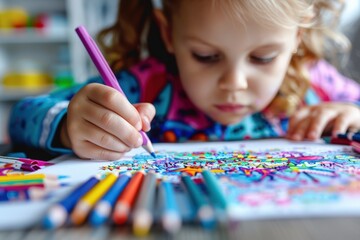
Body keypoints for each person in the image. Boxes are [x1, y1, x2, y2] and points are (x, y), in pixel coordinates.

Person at [8, 0, 360, 160]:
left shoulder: (316, 83)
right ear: (169, 33)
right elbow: (23, 114)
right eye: (206, 56)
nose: (234, 83)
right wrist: (70, 126)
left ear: (297, 38)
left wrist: (352, 114)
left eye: (263, 58)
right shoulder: (145, 87)